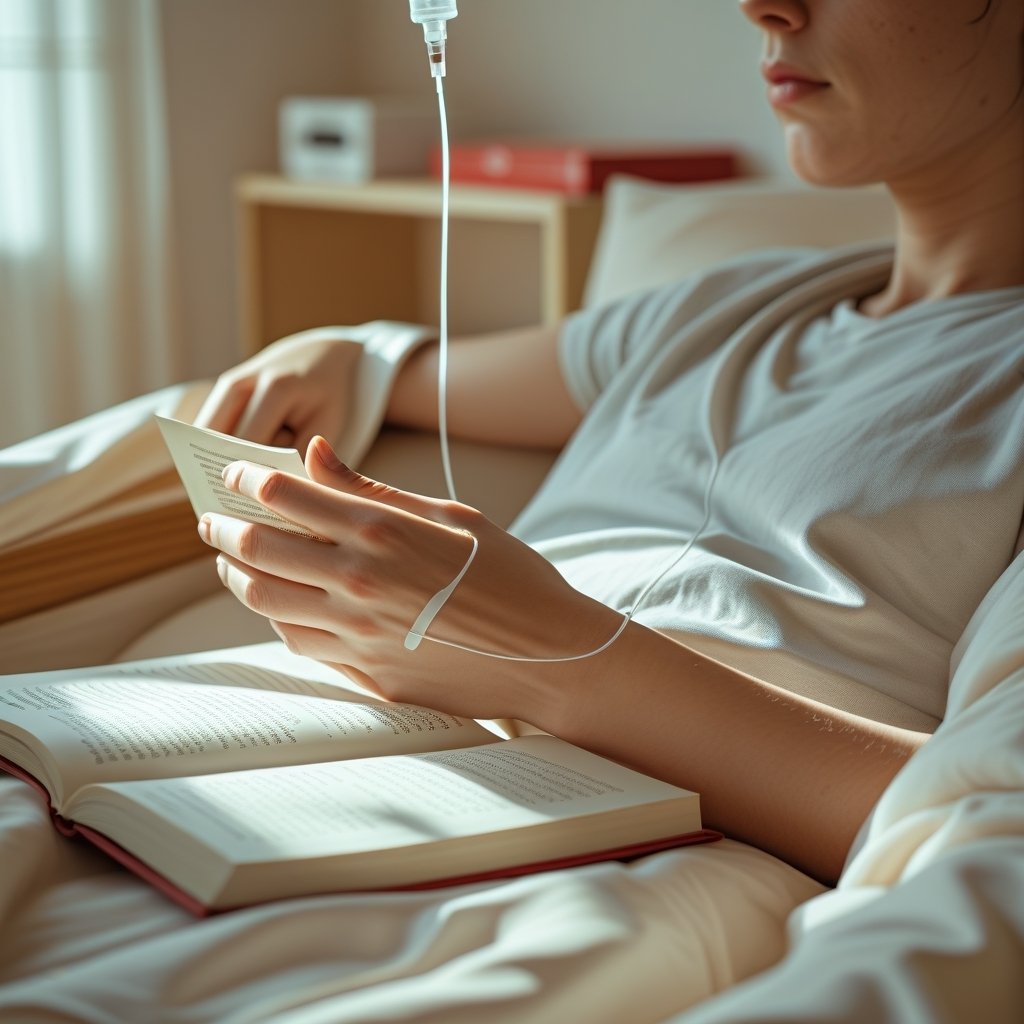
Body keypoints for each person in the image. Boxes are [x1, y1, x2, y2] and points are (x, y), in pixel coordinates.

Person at [191, 0, 1024, 886]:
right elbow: (393, 372)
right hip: (401, 754)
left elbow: (973, 821)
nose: (762, 7)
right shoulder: (737, 306)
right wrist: (339, 350)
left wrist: (546, 654)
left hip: (656, 856)